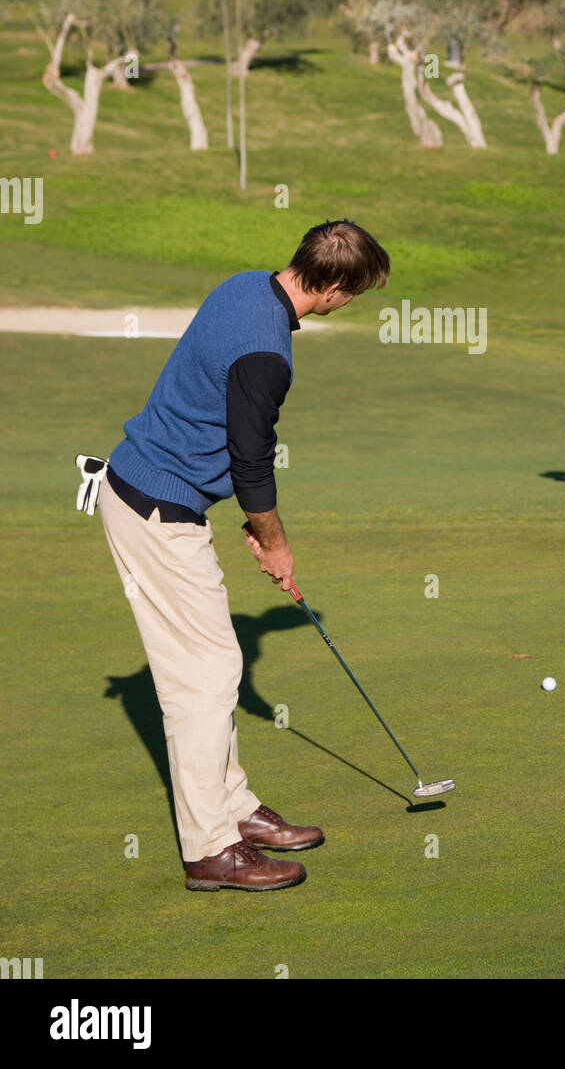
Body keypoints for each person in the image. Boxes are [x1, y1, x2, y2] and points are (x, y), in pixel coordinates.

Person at [97, 220, 390, 891]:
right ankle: (211, 849)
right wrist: (274, 540)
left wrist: (253, 522)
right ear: (336, 289)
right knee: (203, 677)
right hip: (155, 508)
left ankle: (234, 810)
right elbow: (251, 462)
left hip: (152, 492)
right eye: (356, 292)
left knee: (215, 664)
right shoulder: (267, 352)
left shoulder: (243, 287)